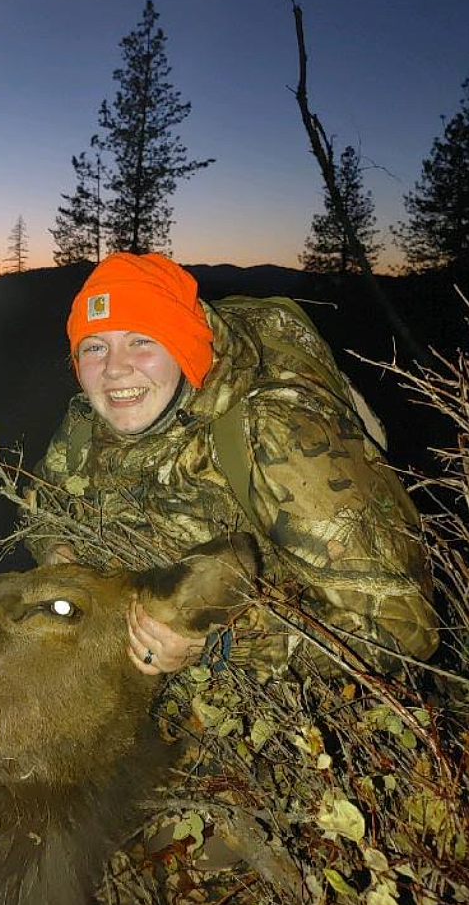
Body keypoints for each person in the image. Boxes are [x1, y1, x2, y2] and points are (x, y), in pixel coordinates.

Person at [26, 252, 438, 681]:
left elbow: (404, 630)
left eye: (141, 340)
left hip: (278, 709)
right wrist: (56, 550)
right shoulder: (89, 425)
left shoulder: (276, 432)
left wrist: (220, 646)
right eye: (95, 347)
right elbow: (41, 505)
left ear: (184, 345)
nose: (114, 369)